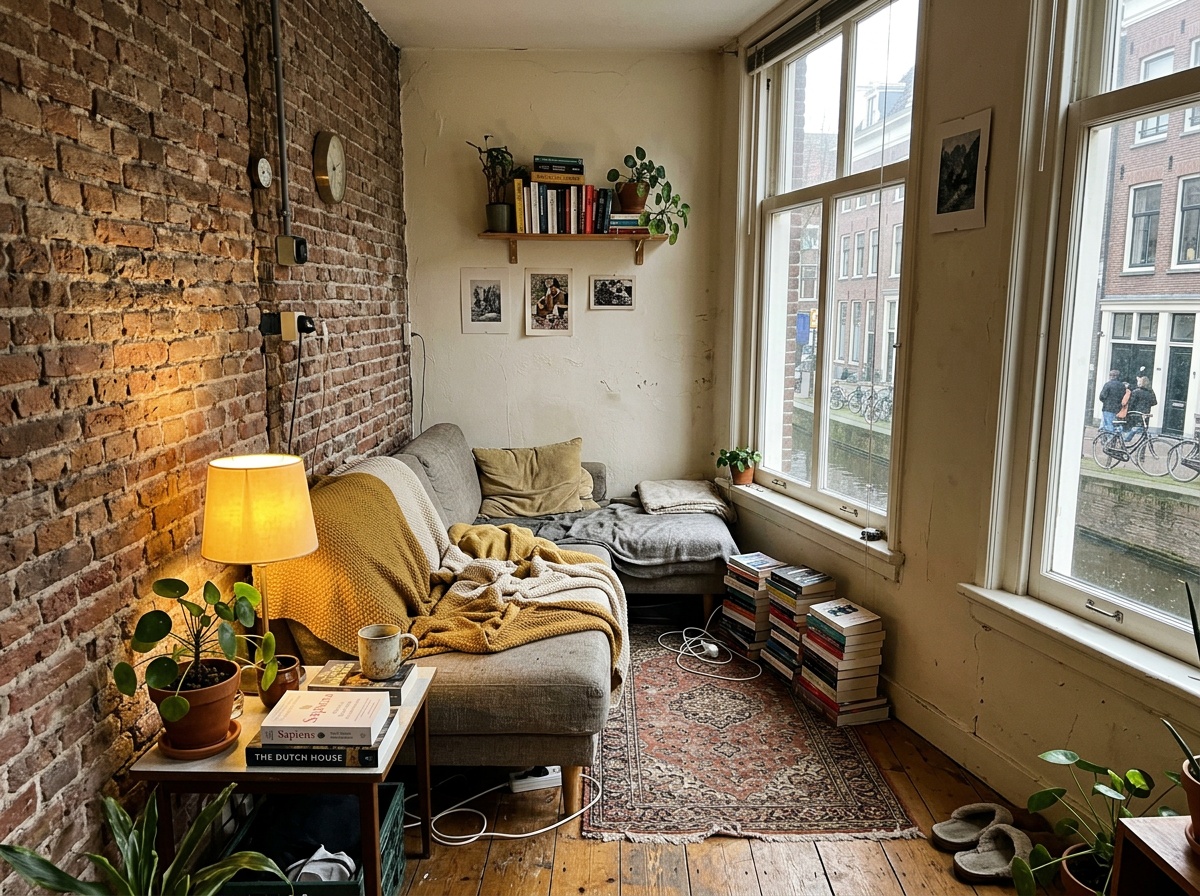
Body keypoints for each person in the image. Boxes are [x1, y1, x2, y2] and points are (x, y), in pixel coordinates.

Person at [1123, 375, 1158, 443]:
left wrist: (1128, 412)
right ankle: (1142, 448)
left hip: (1136, 413)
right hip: (1146, 413)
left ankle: (1127, 438)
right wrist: (1147, 404)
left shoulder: (1136, 392)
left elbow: (1131, 403)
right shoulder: (1150, 392)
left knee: (1135, 427)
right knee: (1144, 431)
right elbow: (1154, 402)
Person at [1097, 369, 1125, 433]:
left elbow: (1102, 396)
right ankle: (1114, 438)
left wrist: (1106, 402)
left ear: (1112, 376)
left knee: (1108, 424)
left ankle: (1109, 439)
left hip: (1108, 408)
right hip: (1117, 408)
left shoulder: (1108, 384)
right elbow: (1123, 396)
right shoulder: (1122, 386)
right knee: (1115, 424)